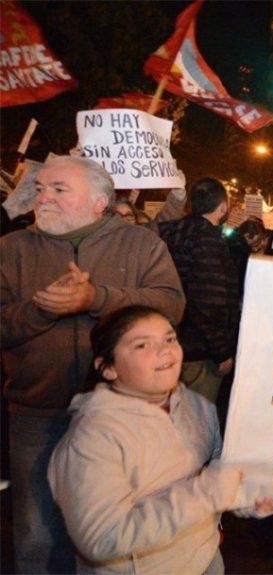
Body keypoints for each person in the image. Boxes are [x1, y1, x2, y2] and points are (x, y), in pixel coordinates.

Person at [0, 156, 185, 573]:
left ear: (100, 202)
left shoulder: (141, 245)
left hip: (123, 418)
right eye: (41, 188)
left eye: (59, 189)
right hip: (37, 416)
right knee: (37, 538)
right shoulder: (11, 249)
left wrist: (96, 299)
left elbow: (171, 305)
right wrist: (42, 310)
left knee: (116, 540)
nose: (42, 197)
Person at [47, 306, 273, 573]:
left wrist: (247, 500)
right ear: (107, 368)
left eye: (170, 339)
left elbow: (216, 477)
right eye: (142, 345)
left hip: (206, 561)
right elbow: (101, 537)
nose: (165, 350)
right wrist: (209, 492)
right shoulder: (91, 438)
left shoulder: (197, 406)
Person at [157, 178, 240, 405]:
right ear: (222, 207)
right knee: (195, 423)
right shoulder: (207, 240)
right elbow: (208, 299)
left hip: (166, 340)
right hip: (198, 350)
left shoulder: (168, 232)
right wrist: (221, 350)